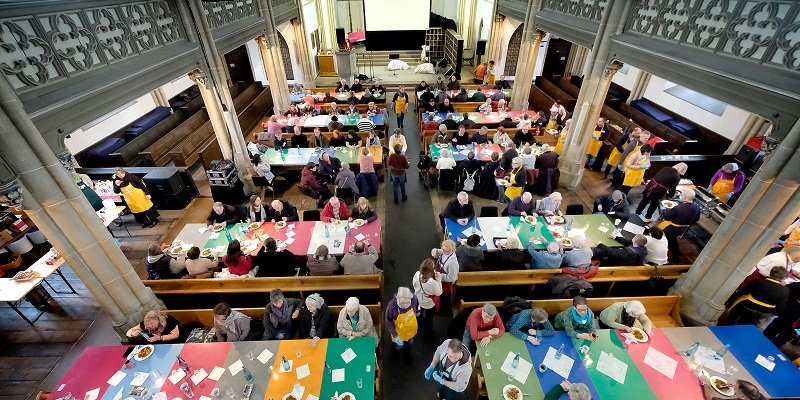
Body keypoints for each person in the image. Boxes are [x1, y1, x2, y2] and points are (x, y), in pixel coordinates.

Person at [723, 266, 789, 326]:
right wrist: (775, 314)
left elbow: (744, 292)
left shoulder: (759, 281)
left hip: (748, 306)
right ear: (783, 277)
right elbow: (781, 306)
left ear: (771, 272)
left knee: (735, 317)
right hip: (765, 312)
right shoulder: (785, 290)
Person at [657, 189, 702, 263]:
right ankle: (675, 253)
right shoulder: (697, 208)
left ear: (684, 197)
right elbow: (697, 219)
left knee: (670, 241)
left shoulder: (678, 208)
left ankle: (674, 256)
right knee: (673, 240)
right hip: (683, 229)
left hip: (672, 228)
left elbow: (666, 217)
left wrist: (665, 211)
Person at [386, 286, 419, 364]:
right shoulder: (392, 306)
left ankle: (407, 357)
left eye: (407, 302)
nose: (405, 305)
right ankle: (395, 356)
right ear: (398, 299)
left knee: (408, 346)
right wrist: (395, 335)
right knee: (397, 347)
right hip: (398, 333)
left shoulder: (414, 298)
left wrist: (417, 311)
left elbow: (416, 306)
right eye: (403, 303)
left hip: (410, 331)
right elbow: (388, 322)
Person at [763, 282, 800, 347]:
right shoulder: (797, 286)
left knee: (780, 336)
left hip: (791, 318)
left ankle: (766, 344)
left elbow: (786, 289)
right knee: (775, 332)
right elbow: (786, 290)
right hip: (788, 314)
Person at [413, 259, 443, 337]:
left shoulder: (417, 274)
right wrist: (438, 279)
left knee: (419, 314)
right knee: (429, 319)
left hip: (419, 299)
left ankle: (419, 325)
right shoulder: (432, 282)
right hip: (429, 303)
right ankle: (428, 332)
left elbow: (414, 285)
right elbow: (439, 293)